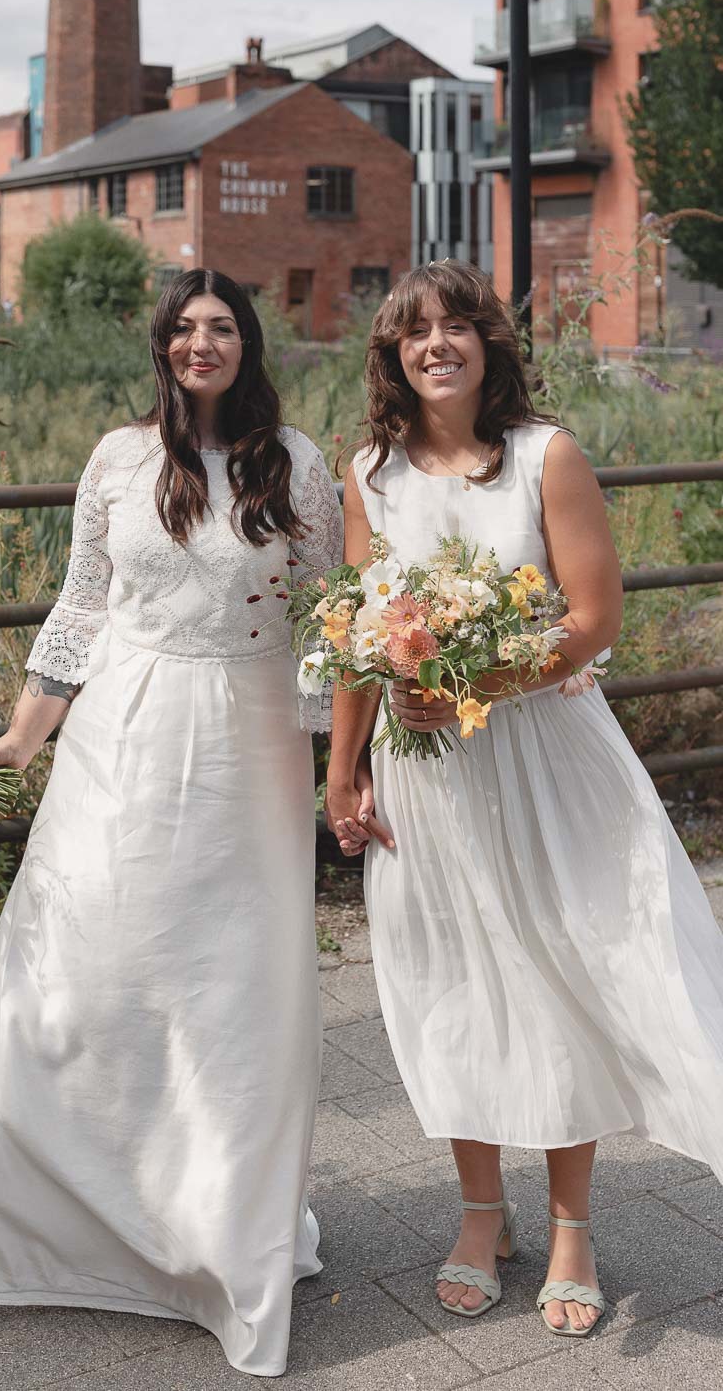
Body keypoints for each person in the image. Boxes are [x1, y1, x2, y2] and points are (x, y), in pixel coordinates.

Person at [0, 269, 343, 1377]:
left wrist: (341, 764)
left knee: (225, 986)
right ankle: (65, 1223)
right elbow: (82, 600)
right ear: (161, 348)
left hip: (250, 740)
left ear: (248, 346)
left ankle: (213, 1232)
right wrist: (25, 732)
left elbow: (325, 622)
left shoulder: (295, 463)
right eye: (184, 329)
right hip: (121, 730)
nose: (201, 345)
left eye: (222, 329)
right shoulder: (117, 458)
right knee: (90, 963)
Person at [327, 259, 723, 1338]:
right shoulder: (367, 471)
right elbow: (358, 632)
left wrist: (476, 683)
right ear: (393, 355)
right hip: (425, 778)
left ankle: (569, 1230)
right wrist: (342, 767)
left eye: (457, 326)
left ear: (489, 345)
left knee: (554, 975)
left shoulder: (546, 456)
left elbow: (593, 621)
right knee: (450, 982)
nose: (436, 345)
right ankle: (476, 1213)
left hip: (542, 755)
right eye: (415, 332)